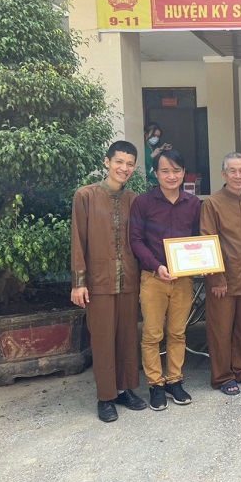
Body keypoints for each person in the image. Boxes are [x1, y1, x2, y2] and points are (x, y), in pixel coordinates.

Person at [70, 141, 147, 422]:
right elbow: (78, 240)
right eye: (119, 162)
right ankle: (106, 397)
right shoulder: (85, 196)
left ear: (134, 168)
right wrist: (79, 282)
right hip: (98, 281)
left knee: (128, 337)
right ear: (107, 162)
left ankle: (125, 389)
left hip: (129, 280)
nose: (123, 168)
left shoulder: (135, 200)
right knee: (102, 339)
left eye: (129, 164)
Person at [129, 149, 201, 410]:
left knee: (178, 332)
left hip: (183, 279)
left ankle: (175, 380)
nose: (172, 176)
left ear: (184, 174)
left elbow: (197, 240)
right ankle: (155, 384)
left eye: (177, 171)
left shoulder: (193, 204)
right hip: (153, 277)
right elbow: (135, 240)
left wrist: (202, 262)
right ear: (155, 174)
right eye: (165, 171)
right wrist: (156, 266)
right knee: (152, 334)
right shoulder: (143, 203)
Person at [200, 152, 241, 395]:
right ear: (223, 174)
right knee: (221, 329)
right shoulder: (212, 203)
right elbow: (208, 240)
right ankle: (222, 376)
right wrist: (216, 278)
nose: (238, 175)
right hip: (223, 280)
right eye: (233, 171)